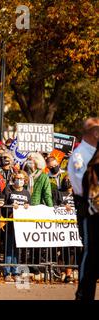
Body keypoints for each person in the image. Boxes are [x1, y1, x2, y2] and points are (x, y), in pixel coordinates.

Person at [67, 117, 99, 300]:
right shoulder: (79, 155)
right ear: (95, 133)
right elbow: (83, 184)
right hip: (89, 209)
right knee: (91, 251)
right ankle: (83, 295)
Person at [3, 170, 31, 282]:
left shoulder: (26, 193)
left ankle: (15, 271)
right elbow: (2, 204)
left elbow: (30, 206)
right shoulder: (8, 189)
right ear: (14, 179)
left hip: (21, 225)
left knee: (16, 249)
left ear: (25, 180)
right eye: (17, 178)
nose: (19, 180)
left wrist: (27, 206)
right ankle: (7, 272)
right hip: (9, 223)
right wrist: (10, 206)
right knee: (8, 248)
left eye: (22, 178)